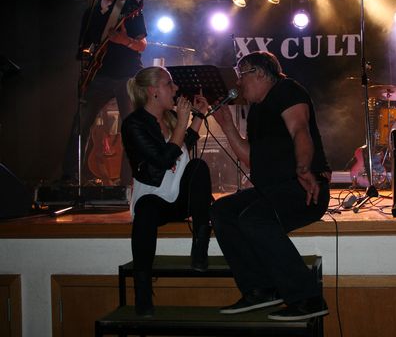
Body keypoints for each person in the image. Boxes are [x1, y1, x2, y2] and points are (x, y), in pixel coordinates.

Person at [210, 51, 331, 321]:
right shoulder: (256, 110)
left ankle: (308, 298)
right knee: (221, 211)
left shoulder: (286, 90)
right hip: (272, 190)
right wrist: (227, 125)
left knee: (255, 219)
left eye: (242, 75)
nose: (238, 83)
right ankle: (260, 289)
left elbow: (300, 130)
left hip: (303, 188)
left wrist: (304, 169)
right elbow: (251, 159)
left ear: (260, 73)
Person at [121, 66, 214, 316]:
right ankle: (142, 290)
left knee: (198, 166)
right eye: (169, 84)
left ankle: (200, 247)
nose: (176, 89)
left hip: (178, 196)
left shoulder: (170, 119)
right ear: (153, 91)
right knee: (146, 210)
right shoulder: (134, 124)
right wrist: (182, 122)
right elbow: (163, 159)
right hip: (154, 198)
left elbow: (183, 145)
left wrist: (198, 117)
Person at [62, 0, 147, 186]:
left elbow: (142, 45)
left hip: (127, 75)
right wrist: (88, 57)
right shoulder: (90, 13)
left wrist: (124, 40)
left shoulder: (129, 7)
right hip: (98, 76)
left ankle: (128, 182)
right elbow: (84, 48)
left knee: (130, 128)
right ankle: (71, 177)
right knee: (80, 124)